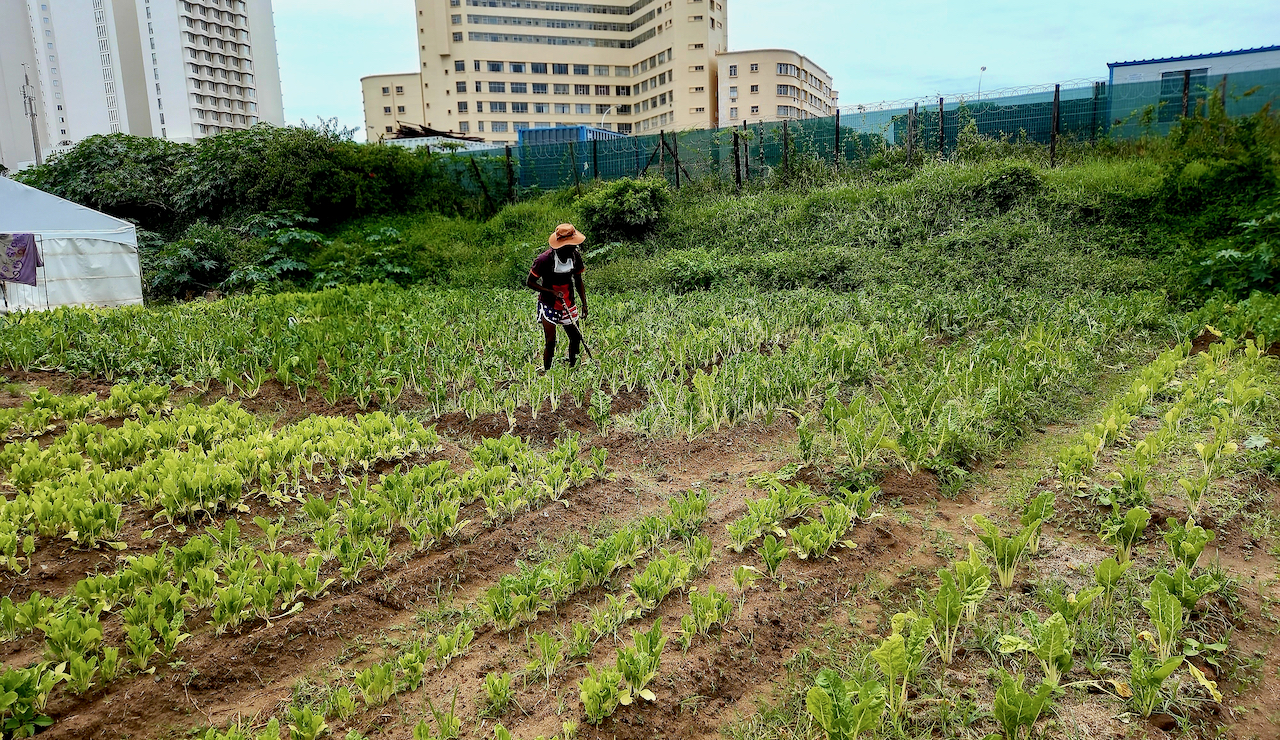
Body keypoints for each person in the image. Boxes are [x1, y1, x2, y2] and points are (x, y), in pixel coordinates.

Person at [527, 223, 589, 372]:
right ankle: (547, 371)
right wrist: (550, 292)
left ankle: (573, 368)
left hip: (568, 302)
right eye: (572, 246)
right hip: (548, 304)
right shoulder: (544, 260)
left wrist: (584, 304)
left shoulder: (575, 257)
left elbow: (578, 281)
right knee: (551, 341)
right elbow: (530, 282)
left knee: (575, 338)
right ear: (561, 247)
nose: (575, 249)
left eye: (575, 246)